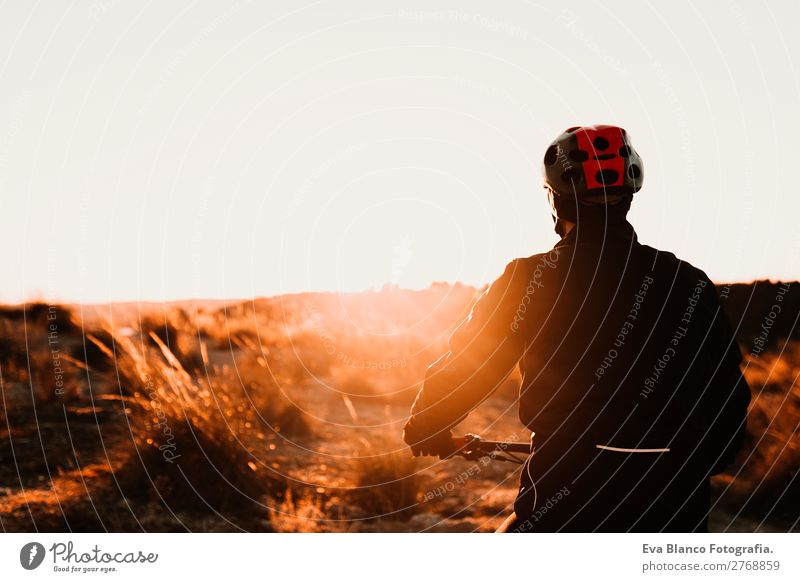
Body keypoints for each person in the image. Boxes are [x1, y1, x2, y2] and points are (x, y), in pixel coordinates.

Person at [403, 125, 751, 532]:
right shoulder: (687, 282)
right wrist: (704, 457)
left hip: (568, 489)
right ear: (629, 196)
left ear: (555, 199)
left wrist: (428, 424)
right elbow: (726, 390)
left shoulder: (530, 278)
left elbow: (472, 363)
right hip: (674, 499)